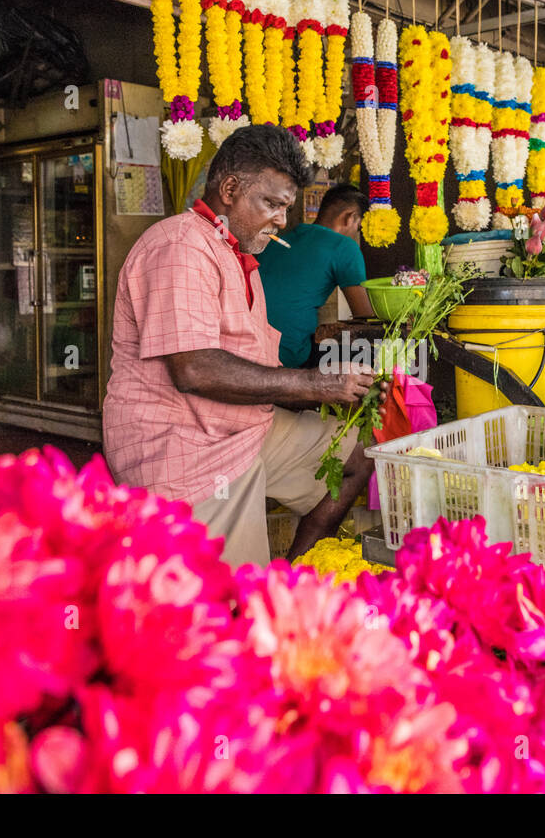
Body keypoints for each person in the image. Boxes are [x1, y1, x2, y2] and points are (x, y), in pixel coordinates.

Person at [103, 125, 385, 566]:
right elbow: (194, 369)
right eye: (272, 204)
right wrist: (317, 385)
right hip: (186, 445)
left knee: (360, 450)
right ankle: (254, 602)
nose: (280, 220)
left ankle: (293, 575)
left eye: (286, 208)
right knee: (228, 601)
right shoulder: (181, 245)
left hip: (246, 428)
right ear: (230, 188)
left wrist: (332, 393)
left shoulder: (238, 255)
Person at [257, 183, 376, 368]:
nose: (355, 234)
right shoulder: (344, 247)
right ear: (350, 217)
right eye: (358, 227)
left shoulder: (284, 239)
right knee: (374, 354)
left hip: (251, 347)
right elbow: (365, 318)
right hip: (289, 355)